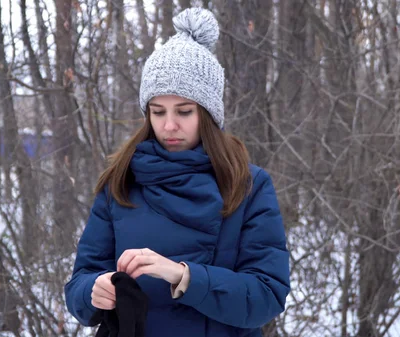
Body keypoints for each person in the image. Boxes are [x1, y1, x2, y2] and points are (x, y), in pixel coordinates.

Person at [64, 7, 291, 337]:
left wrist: (184, 276)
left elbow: (267, 295)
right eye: (157, 112)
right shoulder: (122, 181)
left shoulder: (248, 186)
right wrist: (93, 291)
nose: (169, 125)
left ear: (209, 114)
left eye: (184, 111)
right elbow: (80, 286)